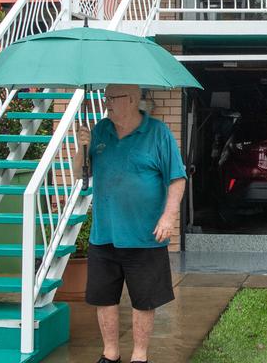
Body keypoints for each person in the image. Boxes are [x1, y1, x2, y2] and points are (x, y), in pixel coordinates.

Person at [86, 83, 186, 363]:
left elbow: (177, 178)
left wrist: (168, 217)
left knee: (145, 300)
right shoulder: (100, 131)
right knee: (104, 298)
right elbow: (81, 172)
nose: (106, 103)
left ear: (131, 99)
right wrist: (81, 148)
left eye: (111, 98)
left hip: (144, 235)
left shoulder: (157, 132)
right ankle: (110, 354)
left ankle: (139, 356)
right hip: (104, 233)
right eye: (105, 98)